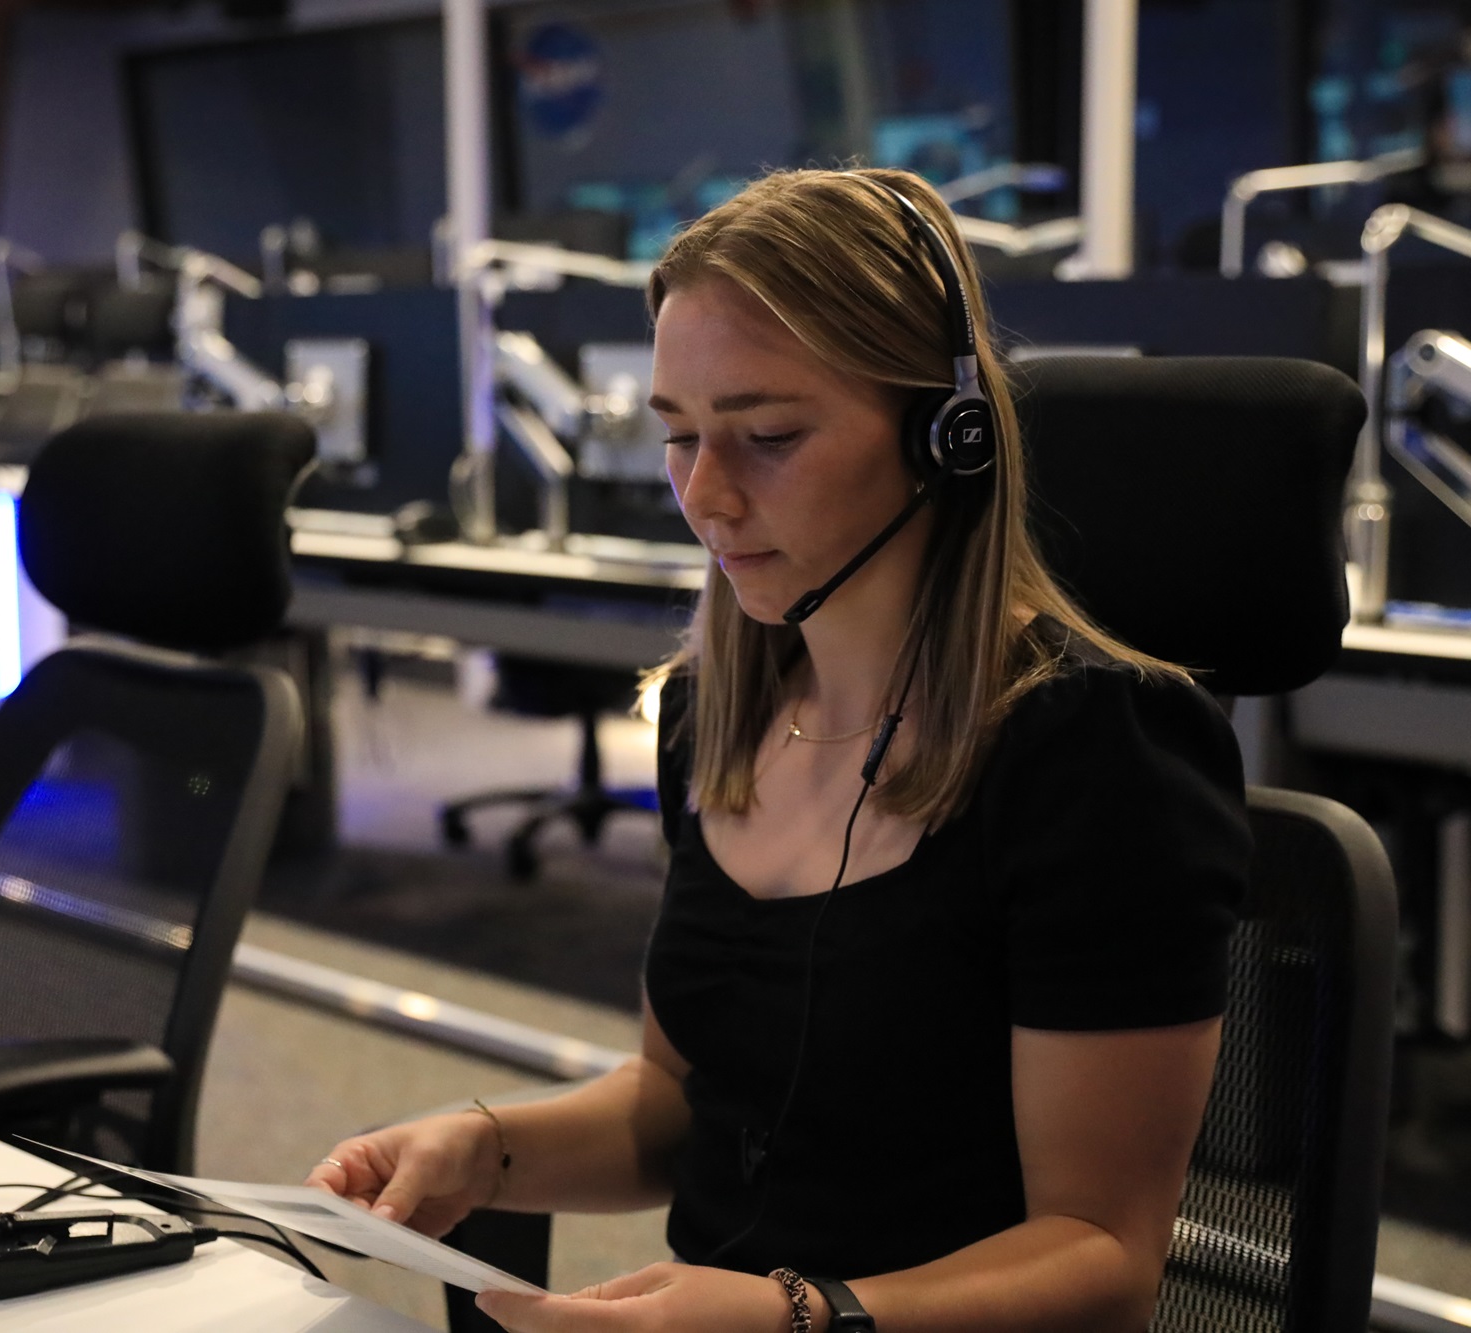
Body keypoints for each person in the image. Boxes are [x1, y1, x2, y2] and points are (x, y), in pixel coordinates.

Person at [307, 167, 1250, 1332]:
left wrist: (794, 1315)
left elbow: (1102, 1254)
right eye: (677, 436)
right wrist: (484, 1149)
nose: (704, 496)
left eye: (765, 436)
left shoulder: (1096, 755)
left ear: (943, 437)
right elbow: (673, 1107)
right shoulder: (714, 714)